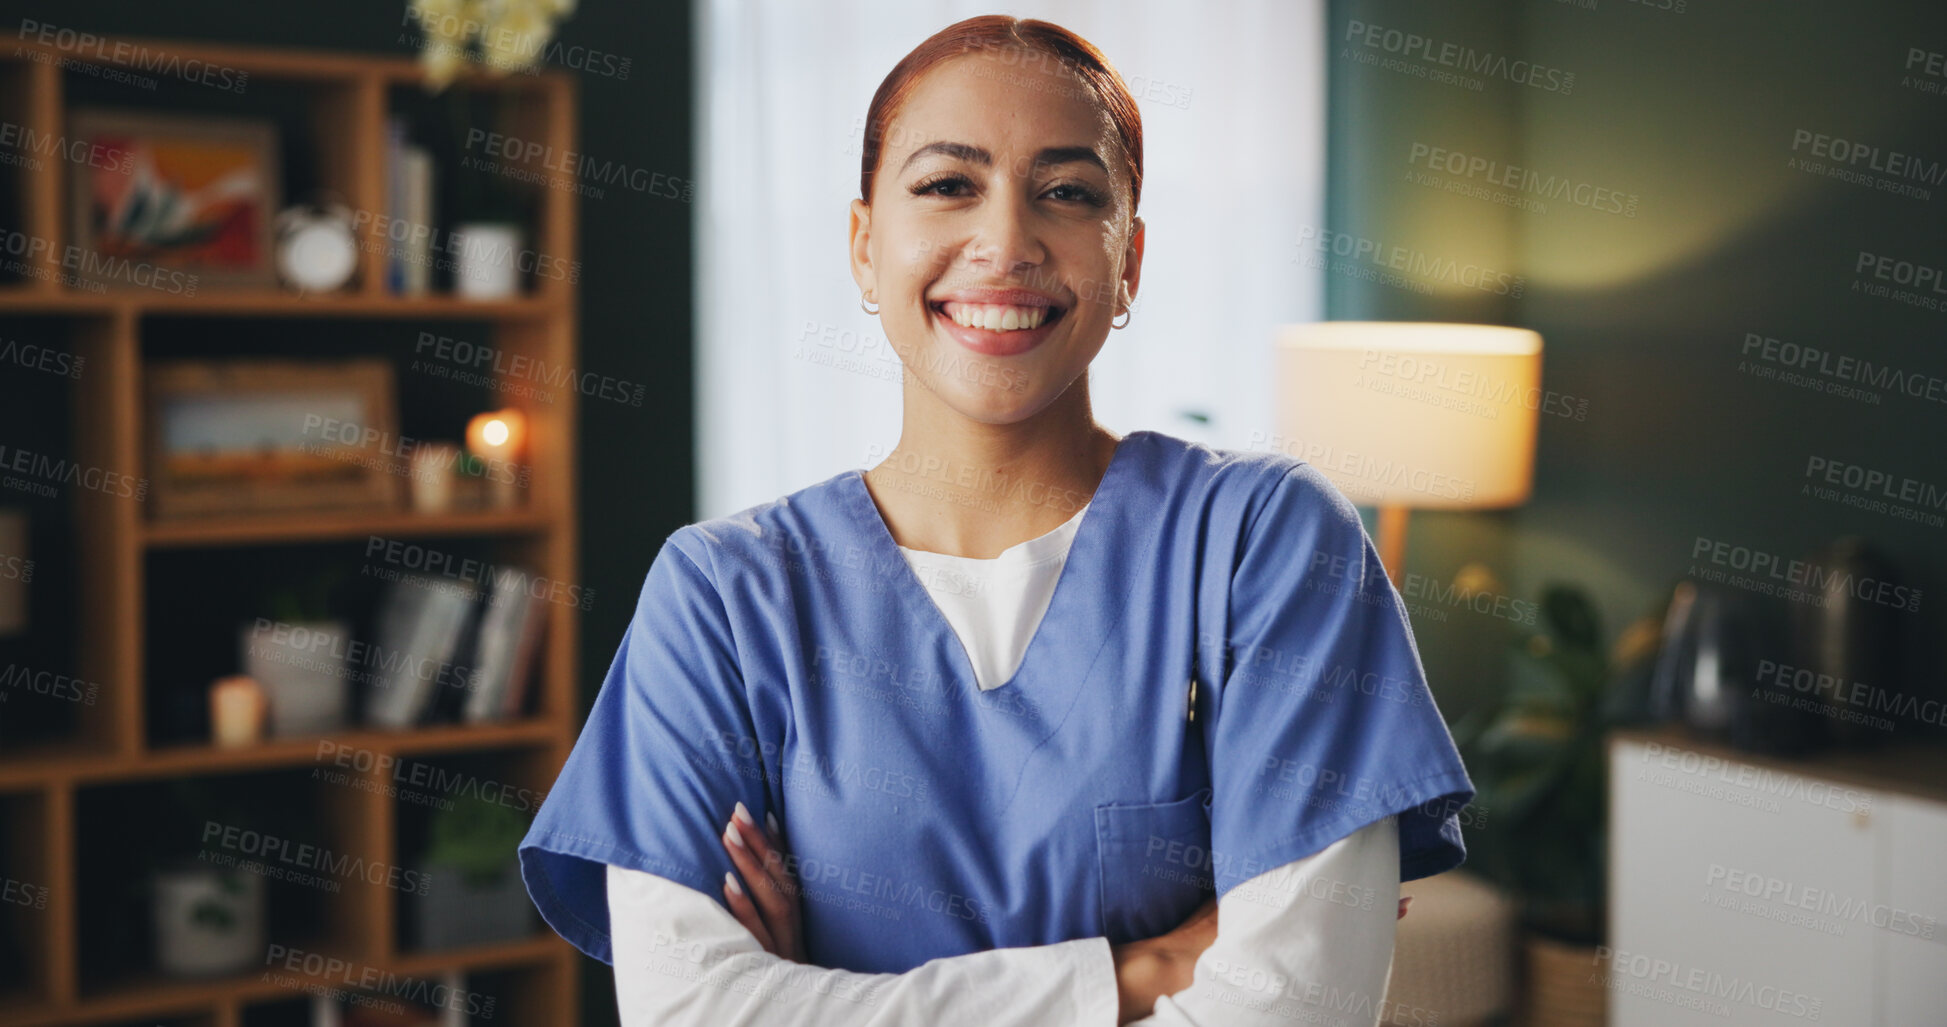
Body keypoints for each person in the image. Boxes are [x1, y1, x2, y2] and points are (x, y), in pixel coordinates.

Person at [519, 15, 1474, 1026]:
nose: (1007, 242)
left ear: (1130, 259)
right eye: (946, 185)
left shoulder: (1267, 545)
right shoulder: (720, 595)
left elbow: (1294, 1015)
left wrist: (821, 1002)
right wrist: (1130, 977)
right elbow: (691, 1013)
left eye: (1067, 192)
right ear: (863, 245)